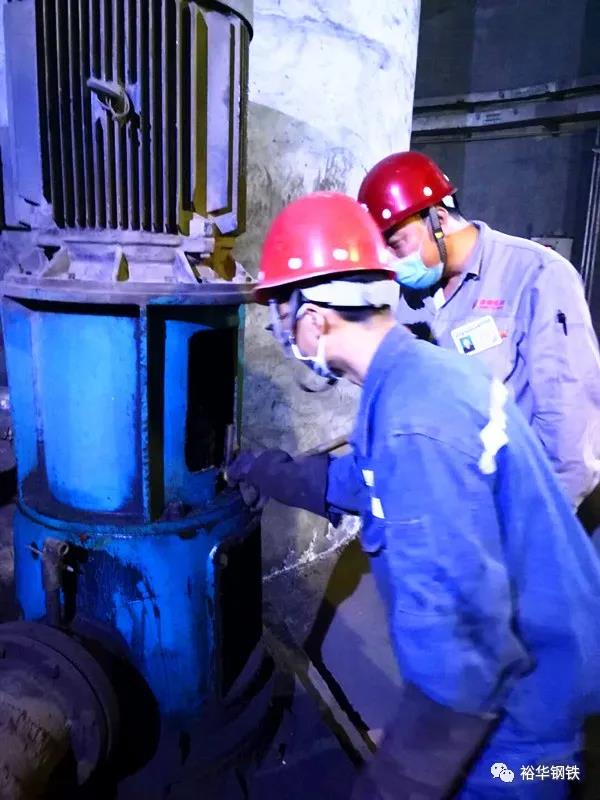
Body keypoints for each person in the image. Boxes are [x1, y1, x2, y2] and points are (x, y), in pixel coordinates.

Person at [228, 191, 600, 799]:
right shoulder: (415, 376)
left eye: (280, 314)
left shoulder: (413, 421)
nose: (281, 332)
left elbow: (462, 665)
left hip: (521, 734)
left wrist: (396, 781)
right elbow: (369, 480)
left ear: (315, 318)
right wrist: (272, 472)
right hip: (528, 688)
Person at [358, 151, 600, 526]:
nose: (392, 262)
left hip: (520, 513)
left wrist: (541, 525)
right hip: (452, 510)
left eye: (396, 243)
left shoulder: (536, 274)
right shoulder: (414, 296)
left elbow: (570, 423)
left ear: (438, 219)